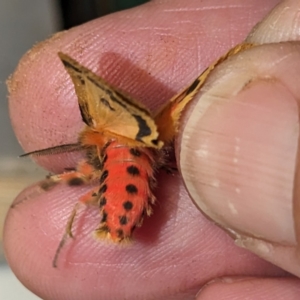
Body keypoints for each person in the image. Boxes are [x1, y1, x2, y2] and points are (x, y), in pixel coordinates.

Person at [4, 0, 300, 299]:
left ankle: (78, 226)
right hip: (140, 158)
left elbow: (84, 174)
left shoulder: (101, 140)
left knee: (79, 200)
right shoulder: (138, 133)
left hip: (127, 169)